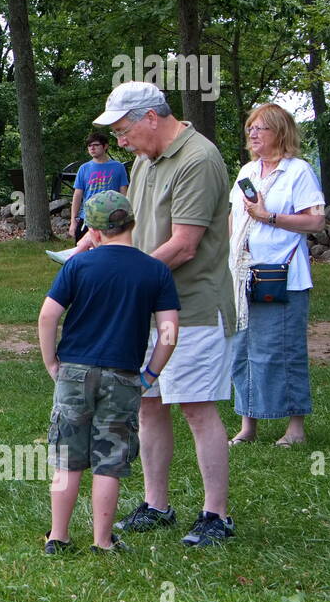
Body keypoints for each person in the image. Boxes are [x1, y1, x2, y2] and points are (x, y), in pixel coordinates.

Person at [85, 82, 237, 546]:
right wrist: (93, 244)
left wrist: (122, 276)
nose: (121, 139)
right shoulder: (144, 159)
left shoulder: (199, 159)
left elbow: (185, 245)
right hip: (148, 307)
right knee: (147, 405)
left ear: (152, 116)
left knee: (195, 407)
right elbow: (129, 225)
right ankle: (157, 505)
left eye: (124, 127)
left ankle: (216, 516)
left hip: (192, 308)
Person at [39, 191, 180, 554]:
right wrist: (150, 374)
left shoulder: (78, 266)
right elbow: (169, 331)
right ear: (132, 223)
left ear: (95, 232)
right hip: (123, 375)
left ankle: (59, 536)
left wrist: (52, 361)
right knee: (109, 460)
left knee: (67, 460)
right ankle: (102, 540)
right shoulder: (155, 270)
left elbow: (48, 316)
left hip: (74, 372)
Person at [227, 103, 325, 447]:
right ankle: (248, 425)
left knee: (283, 349)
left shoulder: (298, 172)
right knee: (242, 348)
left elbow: (315, 222)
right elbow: (235, 218)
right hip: (244, 275)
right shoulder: (247, 172)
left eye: (261, 128)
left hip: (284, 275)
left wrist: (269, 217)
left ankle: (295, 428)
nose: (253, 133)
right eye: (251, 127)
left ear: (280, 134)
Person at [68, 132, 129, 242]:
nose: (92, 148)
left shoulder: (118, 167)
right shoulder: (84, 168)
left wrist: (125, 218)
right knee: (83, 253)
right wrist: (73, 220)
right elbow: (77, 195)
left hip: (111, 220)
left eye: (95, 145)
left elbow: (124, 194)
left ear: (105, 146)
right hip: (88, 218)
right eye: (89, 146)